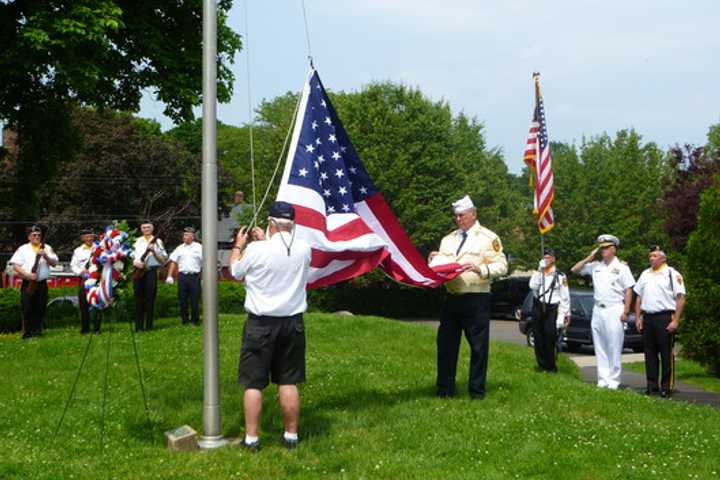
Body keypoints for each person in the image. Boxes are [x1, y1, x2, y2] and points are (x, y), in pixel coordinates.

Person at [229, 201, 312, 451]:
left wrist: (238, 246)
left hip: (261, 324)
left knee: (254, 383)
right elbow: (281, 256)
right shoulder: (304, 248)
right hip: (292, 323)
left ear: (272, 222)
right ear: (292, 224)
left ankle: (252, 439)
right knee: (288, 381)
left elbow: (235, 271)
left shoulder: (255, 250)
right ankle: (291, 436)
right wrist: (265, 240)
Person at [428, 195, 508, 399]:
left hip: (476, 298)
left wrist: (481, 269)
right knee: (446, 346)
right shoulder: (449, 239)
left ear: (473, 214)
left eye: (462, 215)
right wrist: (434, 260)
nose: (458, 219)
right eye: (456, 216)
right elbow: (444, 264)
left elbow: (502, 266)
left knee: (479, 348)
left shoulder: (489, 238)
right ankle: (444, 390)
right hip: (452, 297)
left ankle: (477, 392)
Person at [571, 234, 635, 389]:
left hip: (614, 308)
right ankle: (603, 378)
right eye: (601, 248)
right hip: (598, 309)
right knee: (599, 345)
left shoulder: (622, 268)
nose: (603, 251)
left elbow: (629, 290)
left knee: (614, 345)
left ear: (613, 249)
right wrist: (588, 258)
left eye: (606, 248)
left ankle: (614, 380)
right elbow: (574, 269)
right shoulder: (596, 266)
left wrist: (626, 311)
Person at [634, 245, 686, 397]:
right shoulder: (645, 274)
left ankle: (666, 387)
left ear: (663, 258)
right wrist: (638, 317)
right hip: (648, 317)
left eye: (655, 256)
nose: (651, 258)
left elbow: (681, 298)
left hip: (664, 317)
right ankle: (651, 386)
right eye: (650, 256)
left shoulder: (671, 273)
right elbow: (638, 297)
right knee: (649, 353)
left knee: (665, 353)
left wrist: (676, 320)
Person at [9, 225, 59, 338]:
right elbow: (15, 265)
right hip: (28, 283)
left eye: (39, 235)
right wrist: (27, 275)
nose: (37, 237)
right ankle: (27, 333)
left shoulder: (47, 248)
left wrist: (45, 256)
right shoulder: (22, 249)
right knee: (27, 308)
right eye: (34, 235)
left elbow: (54, 263)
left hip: (42, 283)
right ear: (29, 237)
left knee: (40, 308)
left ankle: (37, 332)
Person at [529, 247, 570, 372]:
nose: (545, 259)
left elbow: (565, 298)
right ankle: (541, 365)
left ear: (554, 259)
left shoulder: (560, 276)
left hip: (552, 308)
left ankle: (551, 366)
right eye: (544, 257)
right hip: (539, 306)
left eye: (548, 257)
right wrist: (538, 270)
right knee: (538, 337)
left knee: (549, 337)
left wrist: (562, 316)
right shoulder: (539, 273)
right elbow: (532, 286)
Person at [132, 221, 167, 331]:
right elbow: (130, 256)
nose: (146, 229)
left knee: (150, 298)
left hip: (151, 271)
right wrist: (135, 263)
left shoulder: (158, 242)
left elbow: (163, 260)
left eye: (148, 227)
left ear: (152, 229)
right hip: (138, 270)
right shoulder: (136, 241)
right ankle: (138, 326)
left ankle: (149, 326)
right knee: (138, 299)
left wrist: (154, 251)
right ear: (141, 229)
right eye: (144, 227)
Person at [166, 227, 203, 325]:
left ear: (193, 236)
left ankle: (195, 320)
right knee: (182, 299)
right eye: (184, 235)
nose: (185, 237)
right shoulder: (179, 248)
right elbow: (173, 261)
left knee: (195, 300)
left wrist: (204, 278)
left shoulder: (199, 247)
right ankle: (185, 320)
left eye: (187, 235)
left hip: (194, 276)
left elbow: (205, 263)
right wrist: (169, 275)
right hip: (182, 276)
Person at [70, 228, 100, 333]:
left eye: (91, 236)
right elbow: (73, 265)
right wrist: (80, 272)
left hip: (97, 279)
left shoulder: (99, 248)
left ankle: (96, 328)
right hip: (84, 279)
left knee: (97, 303)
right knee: (83, 304)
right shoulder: (78, 251)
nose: (89, 238)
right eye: (86, 236)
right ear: (82, 238)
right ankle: (85, 328)